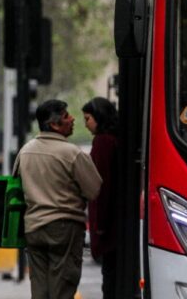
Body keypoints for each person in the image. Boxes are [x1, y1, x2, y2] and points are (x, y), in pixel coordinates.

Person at [13, 99, 102, 299]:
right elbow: (94, 190)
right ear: (54, 124)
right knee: (62, 287)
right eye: (66, 116)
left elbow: (15, 188)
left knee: (39, 288)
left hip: (33, 227)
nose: (72, 119)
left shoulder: (25, 151)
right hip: (64, 228)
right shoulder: (72, 153)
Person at [82, 97, 119, 299]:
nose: (85, 124)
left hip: (109, 224)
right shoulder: (115, 139)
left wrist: (100, 224)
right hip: (116, 221)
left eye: (88, 118)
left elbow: (101, 184)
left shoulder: (103, 142)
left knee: (110, 278)